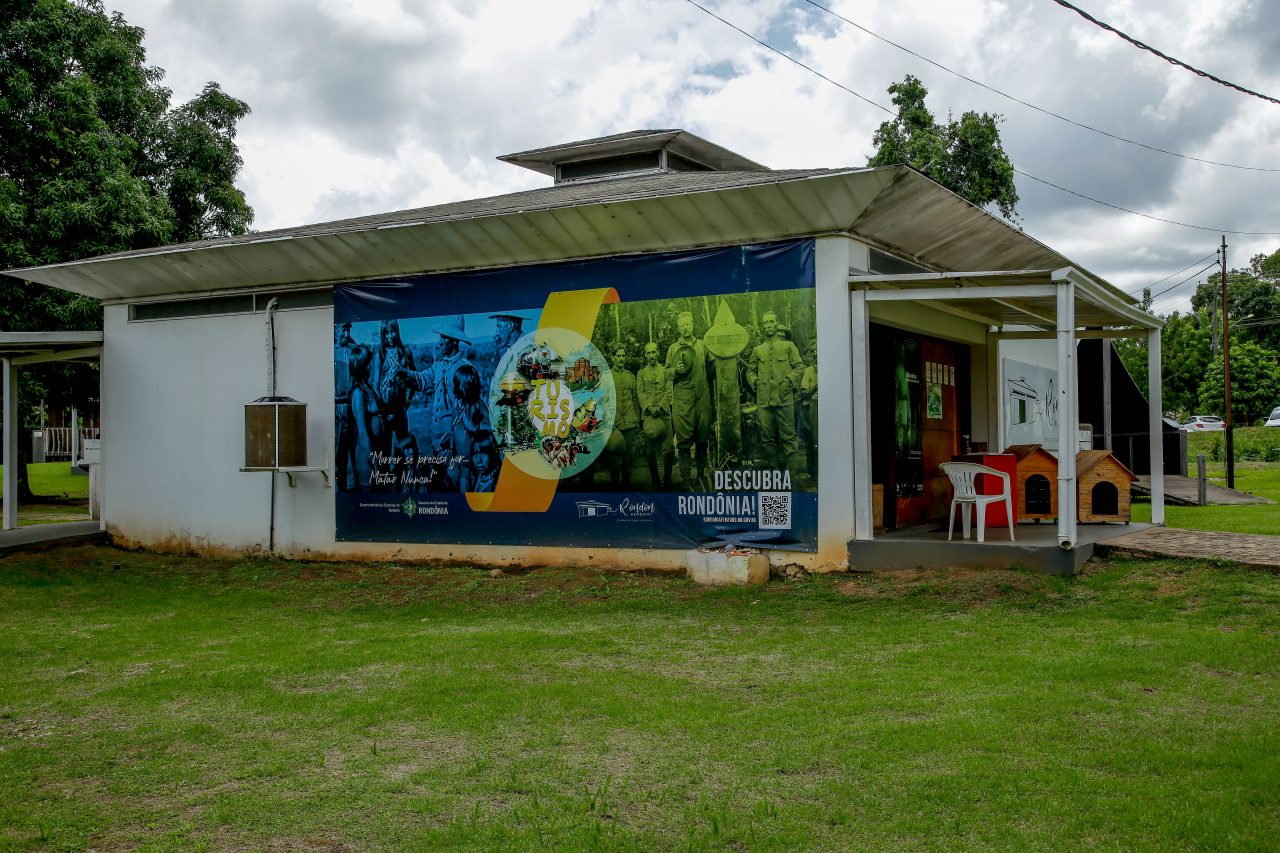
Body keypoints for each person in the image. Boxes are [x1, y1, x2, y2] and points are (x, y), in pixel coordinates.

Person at [400, 315, 472, 455]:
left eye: (444, 338)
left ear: (454, 341)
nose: (440, 342)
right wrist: (404, 373)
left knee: (456, 475)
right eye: (441, 337)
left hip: (455, 440)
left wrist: (454, 435)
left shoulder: (464, 369)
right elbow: (422, 379)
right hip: (437, 439)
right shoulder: (439, 365)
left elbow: (467, 409)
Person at [746, 310, 804, 471]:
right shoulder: (758, 350)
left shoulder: (788, 346)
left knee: (789, 438)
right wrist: (755, 381)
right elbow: (750, 371)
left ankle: (791, 479)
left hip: (784, 399)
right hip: (764, 401)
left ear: (776, 324)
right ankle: (774, 477)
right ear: (762, 326)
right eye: (765, 323)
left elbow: (799, 366)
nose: (769, 325)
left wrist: (789, 380)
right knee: (767, 439)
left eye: (771, 322)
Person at [665, 311, 712, 490]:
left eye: (688, 324)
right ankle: (686, 481)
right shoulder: (673, 348)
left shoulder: (702, 345)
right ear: (678, 328)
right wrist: (676, 370)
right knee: (684, 442)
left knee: (702, 438)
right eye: (682, 325)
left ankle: (701, 477)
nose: (685, 328)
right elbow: (666, 373)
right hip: (682, 399)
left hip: (701, 397)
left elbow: (711, 369)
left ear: (693, 324)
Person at [637, 340, 674, 490]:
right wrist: (650, 408)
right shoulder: (640, 373)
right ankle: (655, 479)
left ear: (658, 353)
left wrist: (660, 407)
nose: (651, 355)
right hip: (648, 416)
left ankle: (667, 479)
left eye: (654, 352)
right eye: (648, 353)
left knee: (669, 448)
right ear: (645, 355)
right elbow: (640, 392)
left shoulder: (666, 371)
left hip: (664, 415)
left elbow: (669, 390)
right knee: (650, 449)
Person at [606, 345, 641, 488]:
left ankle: (626, 485)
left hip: (630, 421)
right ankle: (615, 486)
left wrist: (637, 418)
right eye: (618, 356)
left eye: (623, 356)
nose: (621, 359)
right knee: (614, 456)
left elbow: (635, 399)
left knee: (629, 456)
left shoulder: (630, 376)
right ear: (612, 357)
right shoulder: (606, 377)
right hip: (615, 423)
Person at [334, 323, 360, 491]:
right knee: (338, 452)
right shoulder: (329, 351)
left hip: (352, 407)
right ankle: (341, 489)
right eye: (343, 329)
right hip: (335, 408)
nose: (346, 333)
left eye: (348, 329)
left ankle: (359, 487)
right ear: (335, 330)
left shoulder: (355, 351)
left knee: (355, 450)